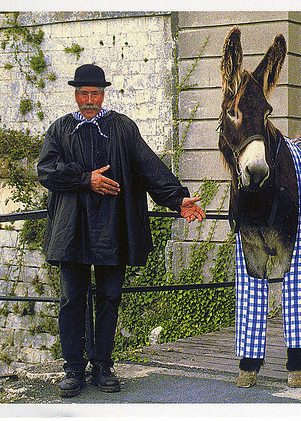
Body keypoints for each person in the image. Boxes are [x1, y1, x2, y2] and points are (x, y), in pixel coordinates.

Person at [37, 64, 205, 398]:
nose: (89, 100)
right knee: (72, 300)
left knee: (110, 298)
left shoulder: (122, 128)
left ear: (103, 94)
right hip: (72, 231)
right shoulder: (60, 129)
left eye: (95, 93)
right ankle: (73, 368)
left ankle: (102, 365)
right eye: (83, 93)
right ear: (75, 94)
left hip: (112, 228)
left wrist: (178, 199)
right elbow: (46, 172)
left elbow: (149, 167)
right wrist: (87, 179)